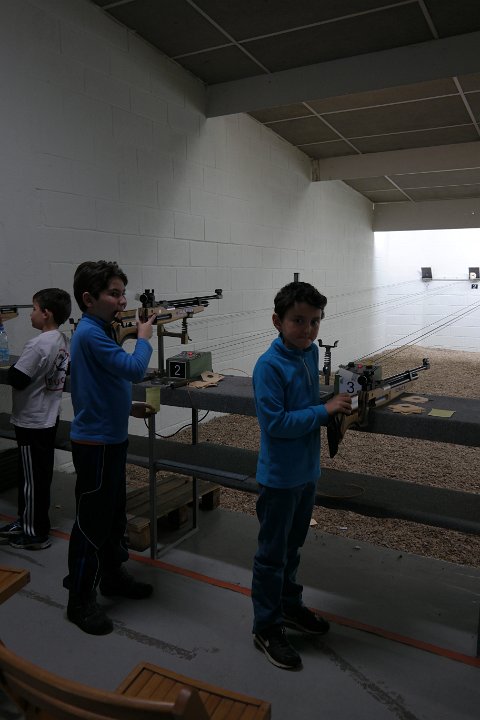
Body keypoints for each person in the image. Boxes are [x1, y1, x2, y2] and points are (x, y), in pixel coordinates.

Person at [251, 281, 352, 670]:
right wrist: (324, 411)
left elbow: (306, 405)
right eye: (298, 321)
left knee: (292, 549)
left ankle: (289, 606)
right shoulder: (268, 366)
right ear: (277, 321)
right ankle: (266, 626)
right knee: (271, 556)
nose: (308, 330)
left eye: (315, 321)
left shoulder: (309, 354)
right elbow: (276, 423)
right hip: (279, 479)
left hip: (307, 472)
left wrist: (335, 407)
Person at [64, 260, 156, 636]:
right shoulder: (90, 333)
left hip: (110, 438)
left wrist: (127, 407)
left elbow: (102, 382)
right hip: (96, 443)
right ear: (89, 299)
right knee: (92, 522)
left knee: (114, 514)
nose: (122, 301)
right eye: (113, 294)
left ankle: (112, 575)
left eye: (122, 293)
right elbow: (133, 369)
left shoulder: (99, 330)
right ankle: (79, 598)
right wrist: (144, 336)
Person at [0, 288, 71, 550]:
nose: (31, 314)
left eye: (34, 309)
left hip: (32, 421)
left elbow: (17, 378)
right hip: (47, 419)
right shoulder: (62, 340)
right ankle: (27, 520)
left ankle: (35, 533)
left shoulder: (38, 344)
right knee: (36, 477)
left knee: (32, 481)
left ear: (46, 313)